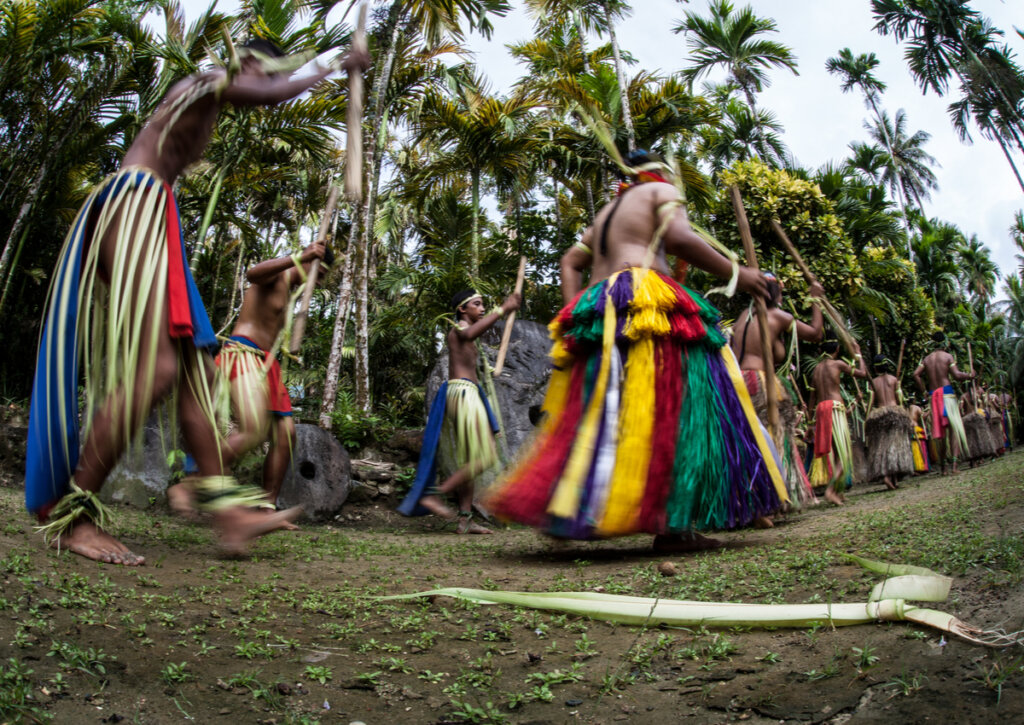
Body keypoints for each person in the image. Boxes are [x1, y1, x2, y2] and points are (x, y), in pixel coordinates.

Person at [25, 38, 369, 564]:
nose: (263, 79)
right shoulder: (202, 81)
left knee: (197, 373)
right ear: (249, 62)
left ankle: (229, 517)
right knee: (159, 369)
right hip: (135, 203)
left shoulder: (208, 95)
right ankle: (77, 514)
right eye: (264, 71)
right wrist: (331, 66)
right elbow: (262, 93)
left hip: (158, 218)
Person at [484, 149, 784, 552]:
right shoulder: (661, 191)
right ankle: (673, 527)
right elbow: (678, 238)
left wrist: (574, 313)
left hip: (599, 306)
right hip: (645, 297)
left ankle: (569, 510)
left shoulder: (606, 213)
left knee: (604, 412)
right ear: (658, 172)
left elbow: (570, 261)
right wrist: (739, 274)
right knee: (675, 406)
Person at [167, 242, 332, 517]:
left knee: (286, 434)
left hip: (267, 363)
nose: (317, 281)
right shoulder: (276, 275)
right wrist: (300, 256)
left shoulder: (290, 292)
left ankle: (267, 504)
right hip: (242, 354)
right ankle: (193, 482)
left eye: (322, 278)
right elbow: (253, 273)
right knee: (253, 428)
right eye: (317, 272)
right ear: (307, 262)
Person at [398, 288, 521, 534]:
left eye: (483, 303)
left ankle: (465, 519)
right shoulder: (459, 329)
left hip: (467, 394)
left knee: (470, 462)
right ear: (462, 309)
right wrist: (503, 309)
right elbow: (473, 331)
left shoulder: (467, 334)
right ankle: (435, 494)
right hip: (464, 394)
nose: (482, 307)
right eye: (477, 304)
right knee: (485, 457)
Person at [730, 275, 824, 510]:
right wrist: (816, 301)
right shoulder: (778, 316)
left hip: (735, 381)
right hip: (759, 381)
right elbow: (815, 333)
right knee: (775, 437)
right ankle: (776, 497)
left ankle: (750, 500)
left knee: (749, 440)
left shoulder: (744, 317)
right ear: (777, 296)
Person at [809, 340, 868, 505]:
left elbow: (812, 398)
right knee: (844, 453)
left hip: (821, 409)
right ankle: (830, 490)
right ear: (837, 349)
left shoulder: (817, 369)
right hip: (835, 408)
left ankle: (839, 492)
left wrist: (809, 423)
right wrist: (858, 354)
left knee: (834, 452)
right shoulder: (838, 364)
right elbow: (862, 373)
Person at [912, 332, 973, 474]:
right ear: (944, 342)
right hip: (947, 395)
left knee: (941, 433)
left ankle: (944, 467)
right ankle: (954, 466)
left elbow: (915, 374)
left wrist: (925, 392)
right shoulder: (947, 356)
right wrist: (969, 375)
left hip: (934, 396)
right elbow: (957, 375)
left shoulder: (926, 359)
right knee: (954, 430)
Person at [864, 355, 914, 490]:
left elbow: (871, 401)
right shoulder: (894, 380)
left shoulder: (873, 382)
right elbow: (899, 398)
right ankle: (892, 477)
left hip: (880, 413)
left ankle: (888, 476)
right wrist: (905, 413)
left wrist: (868, 417)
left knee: (882, 445)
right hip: (895, 412)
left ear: (875, 368)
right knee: (895, 445)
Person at [908, 398, 930, 474]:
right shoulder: (916, 407)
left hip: (909, 429)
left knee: (912, 449)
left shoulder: (906, 408)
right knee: (919, 447)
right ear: (913, 401)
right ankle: (921, 466)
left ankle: (915, 468)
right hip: (916, 428)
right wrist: (929, 411)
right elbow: (923, 417)